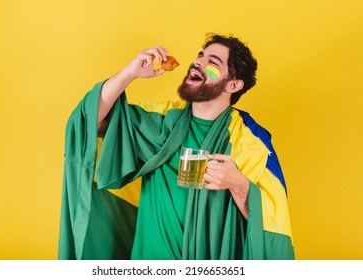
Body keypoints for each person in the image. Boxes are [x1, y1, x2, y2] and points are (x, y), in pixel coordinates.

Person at [58, 33, 295, 260]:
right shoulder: (162, 121)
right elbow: (89, 122)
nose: (197, 63)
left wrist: (238, 184)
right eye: (199, 57)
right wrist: (130, 72)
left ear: (232, 85)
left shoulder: (250, 142)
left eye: (212, 62)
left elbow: (270, 227)